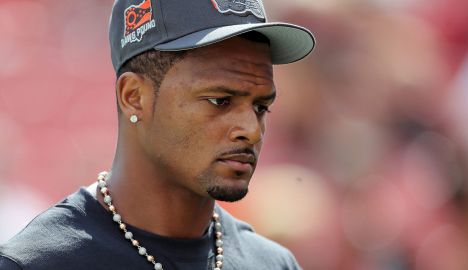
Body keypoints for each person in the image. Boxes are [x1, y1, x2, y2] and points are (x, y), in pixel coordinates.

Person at [0, 0, 314, 269]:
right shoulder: (38, 262)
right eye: (220, 101)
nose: (250, 129)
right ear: (133, 96)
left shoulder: (272, 263)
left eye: (261, 106)